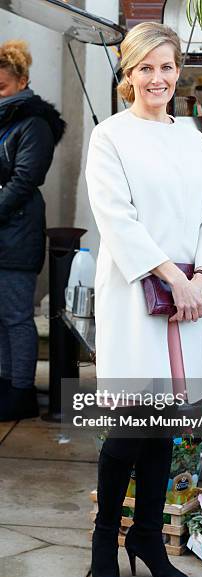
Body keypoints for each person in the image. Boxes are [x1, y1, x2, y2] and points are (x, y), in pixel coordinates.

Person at [85, 22, 202, 577]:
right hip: (137, 296)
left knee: (163, 429)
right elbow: (117, 219)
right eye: (146, 67)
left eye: (167, 67)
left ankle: (146, 537)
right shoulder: (110, 137)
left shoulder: (191, 135)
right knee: (127, 428)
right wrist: (172, 275)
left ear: (177, 70)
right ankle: (104, 536)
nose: (158, 78)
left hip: (186, 303)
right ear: (129, 72)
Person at [0, 40, 66, 421]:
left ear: (23, 80)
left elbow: (25, 180)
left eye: (1, 87)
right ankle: (8, 383)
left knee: (16, 316)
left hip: (17, 232)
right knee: (1, 316)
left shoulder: (33, 123)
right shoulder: (5, 121)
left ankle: (21, 391)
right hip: (5, 230)